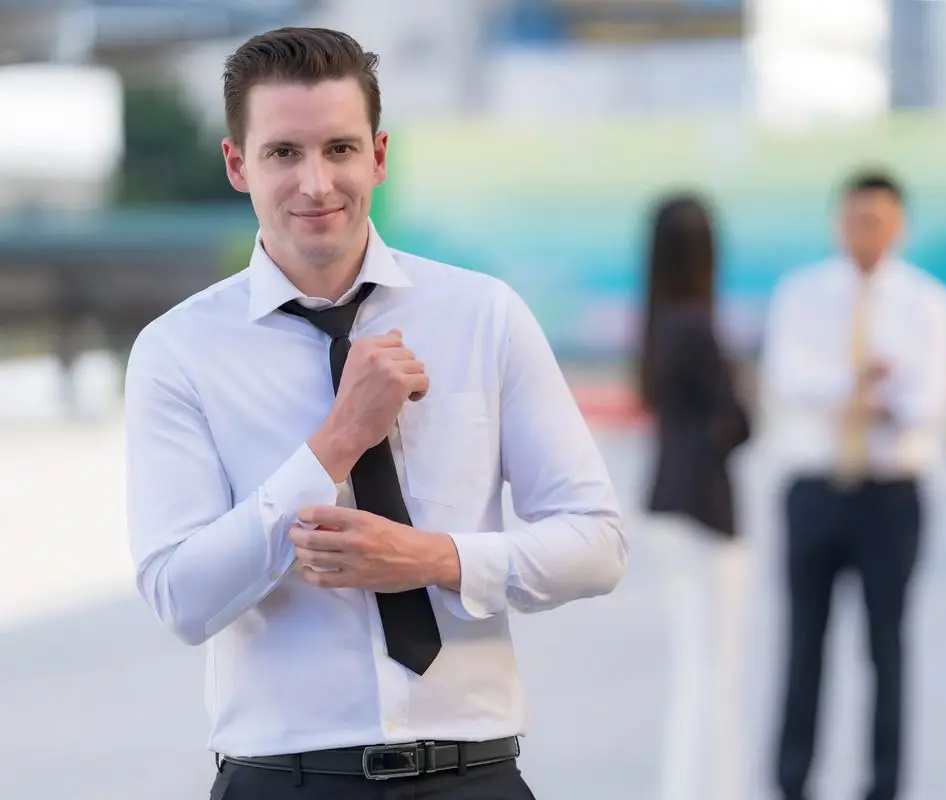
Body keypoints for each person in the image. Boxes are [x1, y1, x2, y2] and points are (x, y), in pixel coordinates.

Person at [123, 27, 628, 800]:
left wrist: (435, 558)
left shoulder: (482, 315)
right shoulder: (177, 351)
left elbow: (597, 542)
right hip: (283, 780)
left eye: (339, 149)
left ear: (378, 156)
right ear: (237, 164)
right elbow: (181, 598)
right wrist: (335, 443)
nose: (317, 184)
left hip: (473, 774)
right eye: (283, 153)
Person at [759, 170, 946, 800]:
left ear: (898, 225)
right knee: (802, 645)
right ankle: (792, 781)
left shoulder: (928, 303)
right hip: (816, 489)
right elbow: (787, 380)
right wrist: (858, 382)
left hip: (889, 495)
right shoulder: (801, 294)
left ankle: (884, 784)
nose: (862, 232)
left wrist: (878, 392)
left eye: (875, 220)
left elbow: (932, 401)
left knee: (887, 648)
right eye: (853, 219)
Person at [636, 193, 752, 800]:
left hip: (668, 505)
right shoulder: (698, 326)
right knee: (713, 675)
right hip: (706, 510)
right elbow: (737, 422)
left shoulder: (656, 324)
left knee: (694, 673)